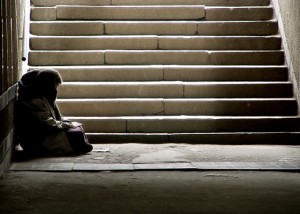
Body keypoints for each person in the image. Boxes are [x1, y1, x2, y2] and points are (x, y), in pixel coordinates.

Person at [16, 68, 93, 156]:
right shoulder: (34, 101)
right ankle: (78, 147)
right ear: (49, 85)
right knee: (75, 134)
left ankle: (79, 146)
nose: (56, 89)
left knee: (77, 129)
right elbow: (47, 123)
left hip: (46, 132)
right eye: (56, 86)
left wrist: (67, 123)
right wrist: (67, 124)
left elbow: (56, 117)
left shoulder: (43, 95)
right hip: (38, 138)